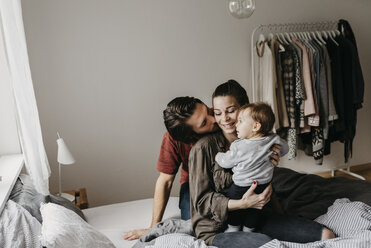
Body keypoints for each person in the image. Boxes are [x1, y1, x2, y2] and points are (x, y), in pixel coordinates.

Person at [123, 81, 282, 240]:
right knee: (195, 219)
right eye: (205, 122)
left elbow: (256, 136)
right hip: (196, 182)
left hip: (240, 176)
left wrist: (270, 155)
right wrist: (153, 226)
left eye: (208, 111)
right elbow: (165, 181)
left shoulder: (225, 119)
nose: (215, 119)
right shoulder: (182, 142)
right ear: (192, 135)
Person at [189, 81, 335, 247]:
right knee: (268, 245)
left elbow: (265, 177)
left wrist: (271, 165)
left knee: (326, 235)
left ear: (245, 108)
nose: (225, 119)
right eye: (218, 113)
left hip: (256, 216)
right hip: (218, 226)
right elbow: (200, 203)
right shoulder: (204, 148)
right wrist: (243, 203)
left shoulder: (262, 139)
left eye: (231, 111)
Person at [215, 102, 289, 233]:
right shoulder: (273, 139)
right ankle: (249, 229)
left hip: (241, 185)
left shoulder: (240, 146)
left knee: (235, 207)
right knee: (256, 209)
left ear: (255, 126)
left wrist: (219, 156)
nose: (236, 125)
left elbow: (227, 162)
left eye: (240, 121)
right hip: (263, 184)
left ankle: (233, 227)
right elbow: (285, 149)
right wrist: (277, 152)